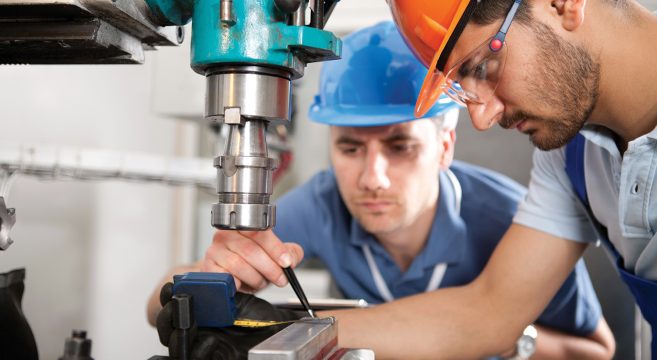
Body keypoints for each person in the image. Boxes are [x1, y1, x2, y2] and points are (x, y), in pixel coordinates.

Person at [148, 22, 615, 359]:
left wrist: (512, 340)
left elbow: (596, 350)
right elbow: (158, 302)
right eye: (350, 148)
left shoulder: (512, 221)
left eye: (400, 147)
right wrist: (203, 286)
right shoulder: (325, 202)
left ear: (445, 145)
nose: (372, 178)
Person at [302, 0, 655, 358]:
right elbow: (487, 318)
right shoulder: (570, 155)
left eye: (483, 67)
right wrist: (275, 333)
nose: (482, 120)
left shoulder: (503, 205)